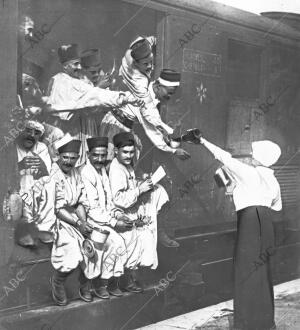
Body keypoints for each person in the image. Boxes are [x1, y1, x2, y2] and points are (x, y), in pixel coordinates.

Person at [199, 135, 282, 330]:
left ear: (259, 158)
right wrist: (243, 192)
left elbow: (223, 156)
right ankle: (265, 322)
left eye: (254, 154)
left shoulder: (249, 173)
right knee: (262, 272)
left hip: (250, 223)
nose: (251, 156)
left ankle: (246, 324)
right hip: (266, 223)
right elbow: (276, 207)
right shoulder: (273, 180)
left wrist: (202, 141)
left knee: (244, 271)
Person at [45, 43, 143, 163]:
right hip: (70, 130)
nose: (79, 67)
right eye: (75, 64)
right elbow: (92, 97)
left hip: (85, 128)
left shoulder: (76, 81)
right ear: (65, 66)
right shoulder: (62, 82)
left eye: (79, 63)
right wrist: (103, 89)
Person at [109, 132, 170, 288]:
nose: (129, 155)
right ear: (116, 151)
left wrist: (142, 180)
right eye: (125, 152)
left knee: (158, 192)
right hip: (118, 211)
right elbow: (119, 200)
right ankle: (127, 276)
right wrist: (140, 189)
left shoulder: (126, 165)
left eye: (131, 152)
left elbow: (130, 183)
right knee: (141, 234)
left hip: (130, 206)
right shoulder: (116, 170)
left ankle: (136, 273)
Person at [49, 137, 103, 306]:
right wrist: (77, 223)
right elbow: (57, 208)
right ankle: (58, 281)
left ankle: (85, 283)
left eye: (73, 158)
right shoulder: (52, 175)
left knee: (95, 240)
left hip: (73, 217)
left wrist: (84, 222)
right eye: (65, 157)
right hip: (55, 218)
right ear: (58, 156)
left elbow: (80, 201)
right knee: (72, 246)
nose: (69, 162)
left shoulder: (75, 173)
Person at [101, 68, 190, 161]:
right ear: (158, 86)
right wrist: (173, 151)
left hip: (126, 128)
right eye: (169, 93)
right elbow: (152, 131)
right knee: (110, 162)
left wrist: (170, 132)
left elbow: (156, 121)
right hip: (114, 127)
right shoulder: (144, 97)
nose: (169, 97)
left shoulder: (152, 91)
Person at [79, 136, 130, 298]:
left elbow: (108, 201)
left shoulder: (101, 170)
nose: (100, 159)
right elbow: (92, 209)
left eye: (103, 155)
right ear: (88, 154)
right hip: (89, 221)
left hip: (103, 219)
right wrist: (114, 222)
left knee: (125, 239)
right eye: (96, 155)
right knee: (112, 243)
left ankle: (110, 281)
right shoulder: (85, 172)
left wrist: (117, 213)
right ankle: (98, 283)